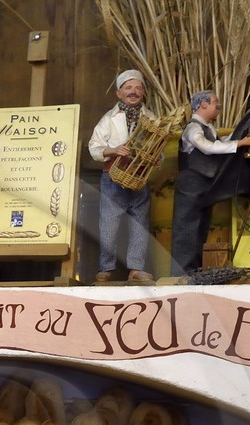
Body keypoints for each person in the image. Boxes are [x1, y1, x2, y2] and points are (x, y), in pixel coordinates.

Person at [171, 90, 250, 276]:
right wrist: (239, 143)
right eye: (215, 102)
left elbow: (220, 141)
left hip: (204, 186)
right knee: (186, 231)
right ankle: (181, 275)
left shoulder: (208, 128)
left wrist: (243, 126)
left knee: (200, 228)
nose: (218, 105)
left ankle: (193, 272)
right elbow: (208, 147)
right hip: (190, 185)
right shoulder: (193, 128)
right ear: (202, 105)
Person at [87, 70, 155, 282]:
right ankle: (105, 268)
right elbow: (94, 146)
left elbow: (157, 144)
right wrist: (113, 150)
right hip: (113, 177)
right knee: (109, 221)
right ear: (119, 93)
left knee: (140, 222)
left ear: (143, 93)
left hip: (139, 177)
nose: (133, 92)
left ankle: (136, 267)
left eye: (137, 88)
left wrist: (155, 157)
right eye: (128, 88)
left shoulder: (151, 118)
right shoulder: (109, 118)